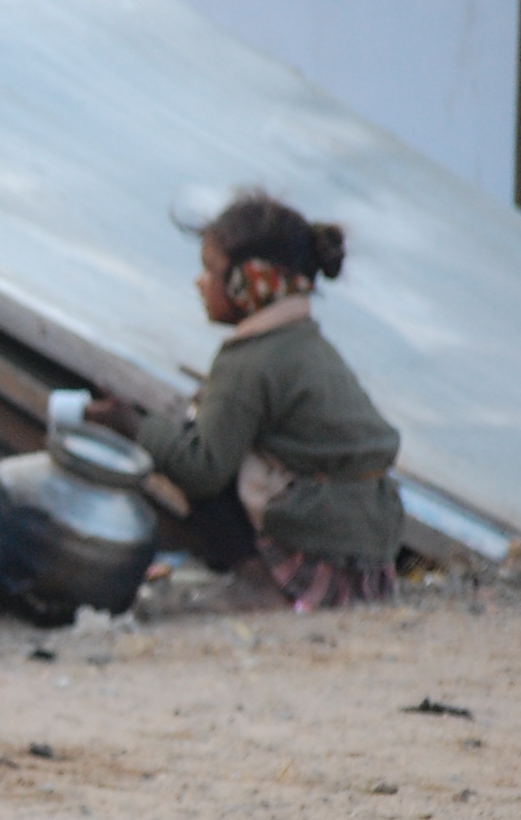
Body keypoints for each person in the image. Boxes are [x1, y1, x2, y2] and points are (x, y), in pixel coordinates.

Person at [88, 190, 403, 611]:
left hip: (322, 549)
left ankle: (260, 582)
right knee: (206, 439)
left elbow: (202, 468)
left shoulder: (250, 362)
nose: (200, 283)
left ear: (250, 281)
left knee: (196, 456)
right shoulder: (303, 341)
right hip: (367, 549)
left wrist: (134, 426)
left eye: (210, 270)